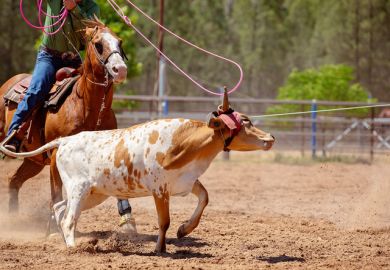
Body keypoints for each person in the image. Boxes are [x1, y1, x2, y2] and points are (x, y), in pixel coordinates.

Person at [3, 0, 136, 233]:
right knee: (36, 90)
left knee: (95, 93)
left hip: (75, 59)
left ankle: (123, 210)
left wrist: (75, 8)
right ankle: (14, 133)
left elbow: (92, 31)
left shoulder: (92, 8)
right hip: (49, 57)